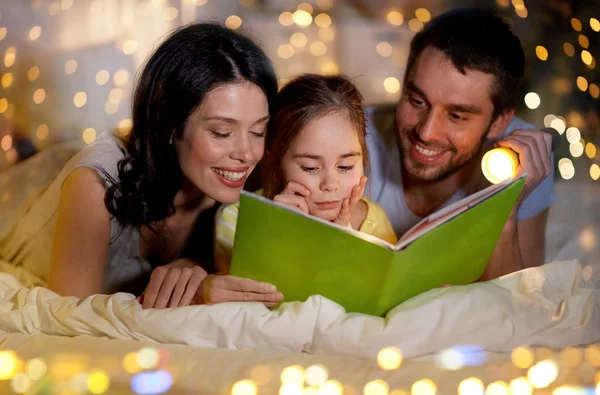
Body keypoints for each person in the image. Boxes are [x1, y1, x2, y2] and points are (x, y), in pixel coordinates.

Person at [0, 23, 284, 309]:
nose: (247, 154)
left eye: (258, 132)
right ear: (171, 126)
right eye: (222, 132)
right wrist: (192, 295)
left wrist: (197, 267)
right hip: (19, 198)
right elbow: (71, 322)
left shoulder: (250, 176)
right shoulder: (94, 186)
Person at [365, 9, 556, 280]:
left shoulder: (523, 158)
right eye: (417, 101)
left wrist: (505, 208)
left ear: (499, 122)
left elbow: (521, 304)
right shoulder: (353, 137)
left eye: (456, 116)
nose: (427, 132)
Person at [214, 74, 397, 271]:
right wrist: (280, 235)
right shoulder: (237, 219)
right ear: (274, 164)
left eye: (345, 166)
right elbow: (243, 295)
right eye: (310, 168)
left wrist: (343, 238)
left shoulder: (375, 220)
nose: (330, 184)